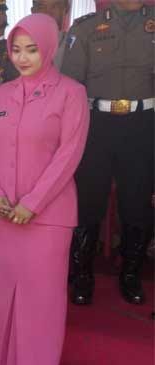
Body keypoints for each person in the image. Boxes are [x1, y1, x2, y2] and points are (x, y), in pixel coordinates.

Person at [0, 13, 89, 365]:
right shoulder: (3, 94)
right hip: (4, 212)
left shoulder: (70, 93)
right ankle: (2, 357)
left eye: (32, 50)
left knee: (40, 294)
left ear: (50, 48)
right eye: (17, 50)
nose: (23, 58)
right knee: (3, 284)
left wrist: (33, 204)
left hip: (48, 216)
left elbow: (69, 154)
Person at [62, 1, 154, 306]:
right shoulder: (86, 27)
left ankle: (130, 274)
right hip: (95, 126)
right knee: (88, 202)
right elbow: (71, 87)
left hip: (143, 126)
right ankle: (82, 274)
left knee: (137, 203)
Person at [31, 0, 71, 68]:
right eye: (42, 7)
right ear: (33, 11)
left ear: (66, 9)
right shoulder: (18, 47)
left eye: (55, 6)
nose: (48, 13)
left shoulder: (77, 45)